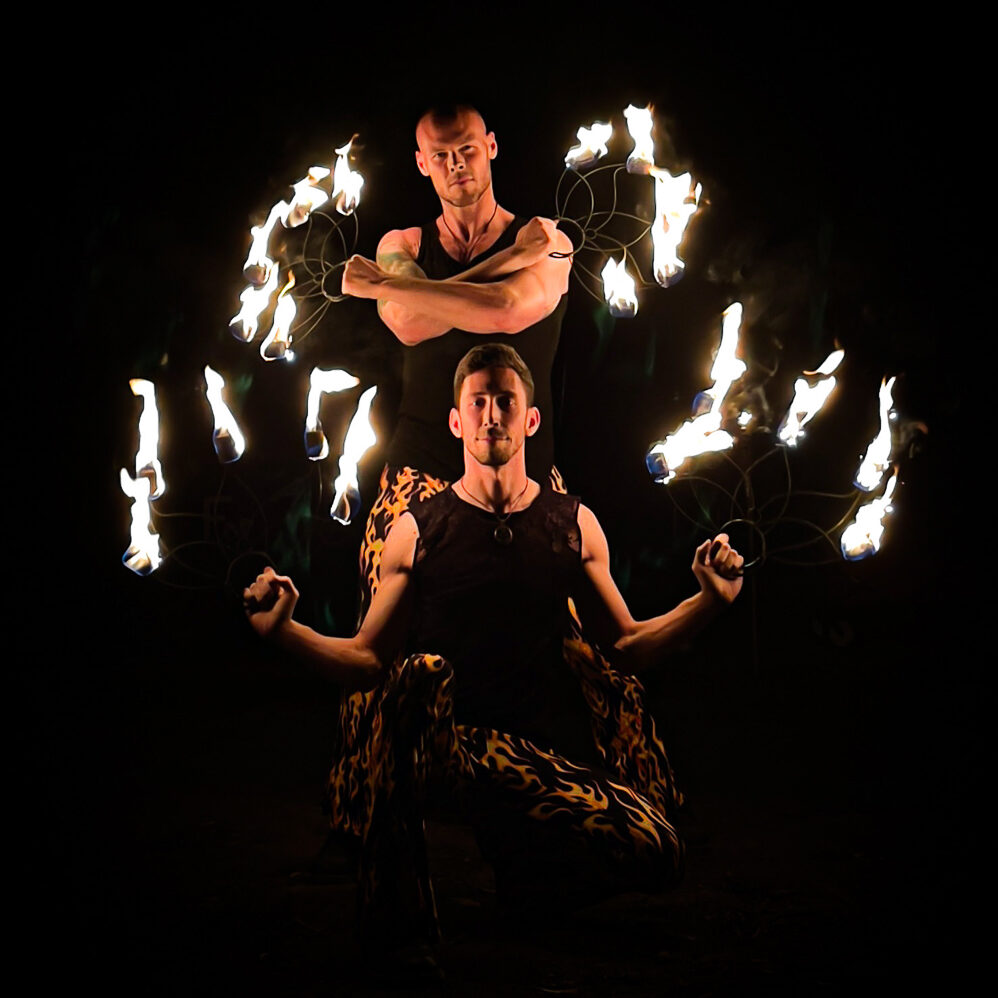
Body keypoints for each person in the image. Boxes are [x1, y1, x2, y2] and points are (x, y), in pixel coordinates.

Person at [245, 345, 745, 952]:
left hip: (522, 760)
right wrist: (285, 632)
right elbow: (367, 660)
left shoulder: (573, 523)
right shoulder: (418, 528)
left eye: (505, 402)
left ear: (530, 420)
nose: (491, 416)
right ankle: (399, 929)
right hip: (436, 749)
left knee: (660, 852)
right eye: (476, 403)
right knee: (418, 674)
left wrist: (710, 603)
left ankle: (531, 887)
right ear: (456, 423)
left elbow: (627, 646)